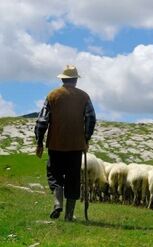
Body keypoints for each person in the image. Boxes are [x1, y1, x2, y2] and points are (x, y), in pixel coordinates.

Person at [34, 65, 96, 221]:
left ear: (62, 79)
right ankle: (69, 215)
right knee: (73, 178)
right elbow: (91, 118)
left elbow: (42, 121)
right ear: (75, 80)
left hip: (55, 144)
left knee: (54, 175)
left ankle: (57, 202)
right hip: (76, 145)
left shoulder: (52, 96)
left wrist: (39, 142)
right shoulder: (84, 97)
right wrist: (86, 138)